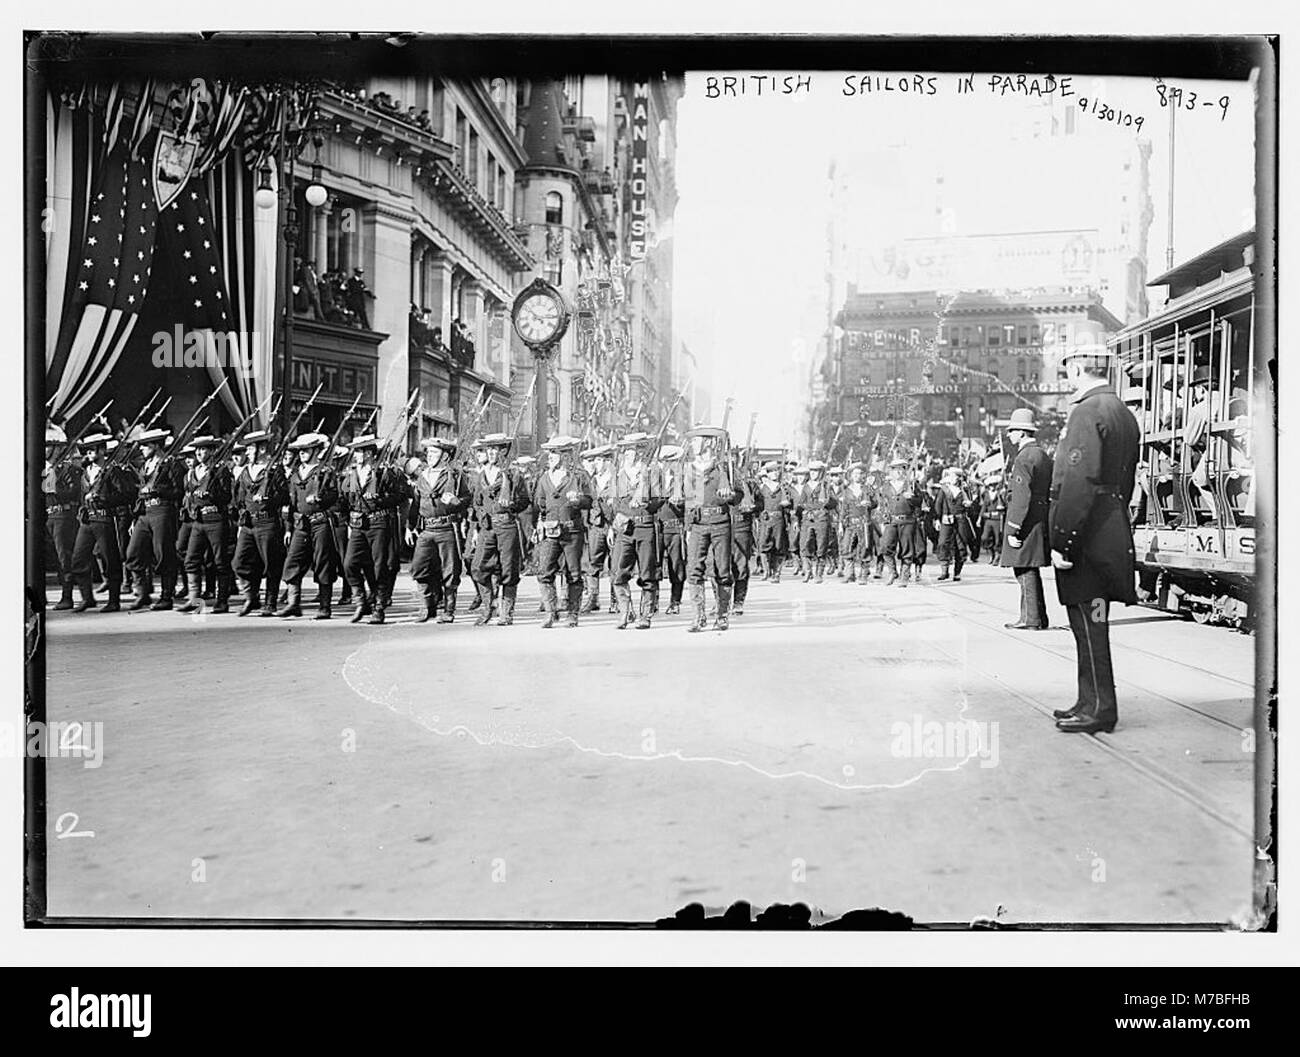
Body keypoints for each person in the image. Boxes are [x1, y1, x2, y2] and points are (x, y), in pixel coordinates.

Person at [1049, 346, 1140, 734]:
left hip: (1085, 537)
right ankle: (1089, 700)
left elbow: (1078, 481)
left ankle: (1100, 708)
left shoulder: (1086, 412)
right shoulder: (1122, 412)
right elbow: (1126, 480)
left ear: (1079, 366)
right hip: (1109, 528)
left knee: (1089, 623)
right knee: (1091, 623)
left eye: (1068, 368)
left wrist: (1063, 541)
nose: (1067, 376)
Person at [339, 434, 405, 624]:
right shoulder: (351, 473)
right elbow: (344, 499)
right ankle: (360, 600)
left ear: (369, 453)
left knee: (379, 566)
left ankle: (378, 606)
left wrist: (380, 500)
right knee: (349, 564)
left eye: (359, 451)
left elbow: (399, 496)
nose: (356, 455)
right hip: (358, 524)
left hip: (378, 523)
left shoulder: (384, 472)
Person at [407, 436, 472, 623]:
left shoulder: (455, 476)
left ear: (444, 455)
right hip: (427, 529)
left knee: (450, 570)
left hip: (447, 528)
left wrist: (455, 502)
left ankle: (449, 610)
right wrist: (409, 527)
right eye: (428, 452)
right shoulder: (422, 476)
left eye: (435, 452)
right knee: (419, 567)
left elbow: (467, 498)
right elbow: (416, 504)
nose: (430, 456)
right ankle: (427, 607)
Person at [679, 427, 738, 632]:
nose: (693, 446)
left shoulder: (724, 468)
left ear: (707, 444)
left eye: (696, 442)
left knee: (722, 569)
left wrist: (729, 494)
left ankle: (722, 616)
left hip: (720, 523)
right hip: (697, 524)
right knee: (693, 569)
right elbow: (688, 501)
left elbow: (739, 495)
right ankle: (698, 617)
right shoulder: (690, 470)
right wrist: (687, 528)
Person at [469, 433, 531, 626]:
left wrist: (511, 504)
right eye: (489, 449)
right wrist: (478, 527)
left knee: (509, 569)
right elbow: (477, 503)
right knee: (478, 567)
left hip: (507, 525)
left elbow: (524, 501)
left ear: (503, 451)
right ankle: (488, 607)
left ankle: (507, 613)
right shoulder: (481, 475)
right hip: (487, 527)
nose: (492, 453)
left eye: (496, 449)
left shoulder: (513, 475)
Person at [999, 408, 1053, 630]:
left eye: (1012, 431)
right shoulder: (1042, 454)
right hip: (1039, 517)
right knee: (1030, 568)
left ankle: (1031, 618)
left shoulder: (1024, 457)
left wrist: (1013, 529)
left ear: (1021, 432)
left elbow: (1022, 497)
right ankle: (1037, 617)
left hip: (1026, 521)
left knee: (1024, 569)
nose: (1010, 435)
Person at [277, 432, 341, 619]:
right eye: (301, 451)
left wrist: (321, 498)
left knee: (322, 562)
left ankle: (325, 606)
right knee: (292, 561)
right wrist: (288, 528)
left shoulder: (325, 472)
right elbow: (291, 502)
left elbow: (334, 496)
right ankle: (293, 603)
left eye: (306, 450)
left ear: (315, 451)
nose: (302, 453)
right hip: (300, 523)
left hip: (319, 521)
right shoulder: (296, 474)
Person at [533, 435, 593, 628]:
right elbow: (540, 504)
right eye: (549, 452)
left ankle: (572, 614)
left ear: (566, 455)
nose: (549, 456)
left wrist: (579, 500)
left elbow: (590, 501)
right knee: (544, 572)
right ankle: (551, 613)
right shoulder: (544, 477)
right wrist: (540, 522)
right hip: (550, 532)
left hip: (572, 531)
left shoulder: (579, 476)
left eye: (554, 453)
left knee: (574, 574)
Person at [124, 427, 185, 610]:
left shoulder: (171, 464)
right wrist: (135, 519)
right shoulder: (146, 466)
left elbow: (178, 491)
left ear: (156, 446)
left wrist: (158, 491)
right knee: (133, 554)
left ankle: (166, 596)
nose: (142, 450)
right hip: (145, 513)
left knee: (164, 554)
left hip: (162, 510)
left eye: (145, 446)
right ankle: (142, 594)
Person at [609, 431, 665, 629]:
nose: (630, 454)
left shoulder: (651, 471)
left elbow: (660, 500)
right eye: (627, 450)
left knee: (648, 573)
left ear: (641, 452)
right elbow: (614, 501)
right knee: (617, 572)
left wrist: (645, 501)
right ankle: (625, 612)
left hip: (645, 527)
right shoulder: (619, 473)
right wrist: (614, 520)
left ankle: (645, 615)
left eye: (634, 450)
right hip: (625, 528)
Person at [231, 429, 289, 617]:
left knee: (271, 562)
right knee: (241, 561)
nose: (247, 452)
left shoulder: (274, 470)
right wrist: (241, 517)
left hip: (267, 522)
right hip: (249, 523)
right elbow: (239, 497)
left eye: (250, 449)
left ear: (262, 449)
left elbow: (285, 496)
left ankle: (270, 602)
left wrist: (269, 498)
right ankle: (251, 596)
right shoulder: (246, 471)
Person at [176, 435, 234, 614]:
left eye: (204, 450)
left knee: (219, 561)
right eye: (198, 450)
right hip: (198, 521)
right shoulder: (191, 473)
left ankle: (222, 601)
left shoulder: (220, 471)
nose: (200, 453)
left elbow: (227, 496)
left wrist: (210, 495)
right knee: (191, 559)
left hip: (215, 519)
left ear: (211, 451)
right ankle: (194, 599)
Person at [44, 424, 82, 610]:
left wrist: (53, 485)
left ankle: (67, 596)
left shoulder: (68, 470)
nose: (46, 449)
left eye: (50, 445)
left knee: (63, 557)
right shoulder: (40, 468)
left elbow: (74, 492)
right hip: (45, 516)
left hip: (62, 515)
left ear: (58, 448)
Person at [655, 444, 688, 613]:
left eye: (674, 461)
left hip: (675, 527)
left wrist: (681, 501)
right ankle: (653, 602)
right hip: (657, 527)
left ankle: (675, 602)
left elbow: (692, 501)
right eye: (667, 461)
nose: (670, 465)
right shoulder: (654, 478)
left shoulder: (683, 479)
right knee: (654, 564)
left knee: (677, 566)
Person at [878, 457, 920, 586]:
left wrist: (911, 498)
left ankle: (904, 576)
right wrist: (882, 521)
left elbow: (919, 502)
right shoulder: (886, 487)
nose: (899, 473)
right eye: (896, 470)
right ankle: (892, 572)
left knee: (907, 550)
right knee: (885, 547)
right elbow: (882, 505)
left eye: (902, 470)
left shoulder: (912, 485)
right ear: (891, 472)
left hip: (907, 521)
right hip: (891, 521)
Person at [796, 459, 838, 583]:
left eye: (816, 471)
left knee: (822, 545)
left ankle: (819, 573)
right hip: (808, 519)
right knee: (805, 545)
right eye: (812, 471)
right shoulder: (806, 486)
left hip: (821, 518)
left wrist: (826, 501)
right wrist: (797, 518)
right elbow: (801, 503)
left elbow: (833, 503)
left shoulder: (826, 486)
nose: (814, 474)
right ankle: (807, 571)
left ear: (820, 473)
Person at [754, 460, 793, 582]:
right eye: (771, 471)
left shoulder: (783, 487)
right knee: (763, 545)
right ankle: (766, 571)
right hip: (766, 519)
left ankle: (777, 573)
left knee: (778, 546)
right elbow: (757, 503)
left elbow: (789, 502)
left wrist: (786, 504)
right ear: (767, 474)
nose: (774, 473)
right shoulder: (762, 488)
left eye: (776, 471)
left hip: (778, 519)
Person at [839, 463, 876, 585]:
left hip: (864, 522)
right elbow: (844, 508)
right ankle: (849, 573)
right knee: (847, 546)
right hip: (850, 523)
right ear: (851, 475)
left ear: (863, 475)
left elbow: (876, 503)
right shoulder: (847, 490)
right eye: (854, 474)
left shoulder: (868, 489)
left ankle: (864, 574)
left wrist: (869, 503)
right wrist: (841, 523)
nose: (857, 476)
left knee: (865, 547)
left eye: (859, 473)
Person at [932, 466, 969, 582]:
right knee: (943, 543)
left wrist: (968, 504)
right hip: (946, 520)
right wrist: (937, 519)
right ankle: (944, 571)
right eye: (954, 476)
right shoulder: (944, 490)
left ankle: (957, 572)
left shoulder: (964, 490)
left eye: (958, 476)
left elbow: (970, 505)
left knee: (961, 545)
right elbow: (938, 505)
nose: (957, 479)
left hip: (960, 520)